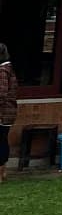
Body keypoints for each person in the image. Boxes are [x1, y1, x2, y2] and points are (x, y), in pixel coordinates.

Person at [0, 42, 17, 182]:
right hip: (7, 112)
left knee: (0, 141)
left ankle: (0, 173)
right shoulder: (8, 69)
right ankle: (2, 172)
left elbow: (1, 94)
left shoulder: (2, 71)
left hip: (2, 113)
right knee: (2, 141)